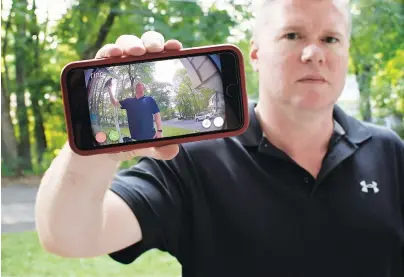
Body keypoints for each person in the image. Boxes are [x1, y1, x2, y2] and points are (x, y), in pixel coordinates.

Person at [35, 0, 404, 276]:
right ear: (256, 54)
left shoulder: (388, 152)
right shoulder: (193, 160)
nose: (313, 53)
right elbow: (70, 236)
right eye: (293, 35)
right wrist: (95, 153)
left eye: (331, 38)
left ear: (346, 53)